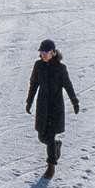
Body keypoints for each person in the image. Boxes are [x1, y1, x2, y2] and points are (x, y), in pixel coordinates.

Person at [24, 38, 81, 178]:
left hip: (55, 107)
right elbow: (33, 85)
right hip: (42, 106)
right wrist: (29, 101)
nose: (43, 55)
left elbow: (68, 85)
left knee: (49, 136)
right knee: (42, 136)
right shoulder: (38, 66)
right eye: (41, 52)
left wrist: (74, 102)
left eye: (46, 52)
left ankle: (51, 167)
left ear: (53, 52)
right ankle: (56, 146)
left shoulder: (61, 69)